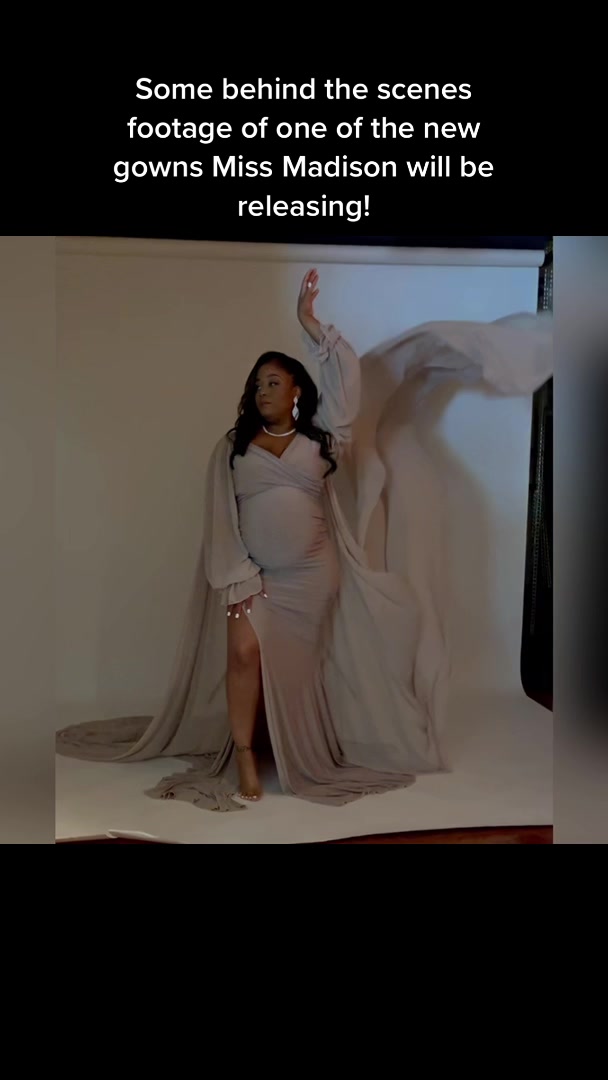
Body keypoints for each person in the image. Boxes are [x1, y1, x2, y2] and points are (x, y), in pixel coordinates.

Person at [56, 269, 553, 813]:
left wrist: (309, 324)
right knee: (243, 654)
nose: (262, 390)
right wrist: (239, 572)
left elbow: (346, 378)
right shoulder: (233, 446)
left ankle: (292, 746)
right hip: (252, 575)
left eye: (274, 382)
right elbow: (220, 520)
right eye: (257, 384)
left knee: (293, 672)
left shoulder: (321, 439)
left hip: (313, 576)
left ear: (297, 392)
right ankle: (244, 754)